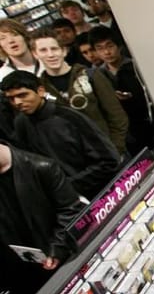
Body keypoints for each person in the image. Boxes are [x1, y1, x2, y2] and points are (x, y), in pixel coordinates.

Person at [2, 70, 120, 199]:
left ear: (40, 91)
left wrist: (68, 186)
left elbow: (109, 160)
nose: (17, 102)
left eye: (23, 95)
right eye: (11, 98)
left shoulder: (70, 118)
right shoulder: (21, 122)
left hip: (102, 194)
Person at [0, 140, 85, 294]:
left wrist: (56, 249)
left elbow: (71, 210)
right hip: (19, 276)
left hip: (58, 266)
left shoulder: (41, 167)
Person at [89, 25, 154, 152]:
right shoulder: (98, 75)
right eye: (100, 48)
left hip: (150, 125)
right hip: (125, 134)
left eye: (110, 46)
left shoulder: (135, 66)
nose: (107, 52)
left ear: (119, 46)